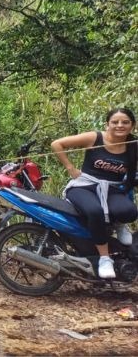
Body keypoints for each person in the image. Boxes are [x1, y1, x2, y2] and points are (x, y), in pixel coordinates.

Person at [51, 108, 137, 279]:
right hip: (84, 186)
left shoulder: (134, 145)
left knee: (130, 211)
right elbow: (57, 144)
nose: (120, 125)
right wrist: (71, 168)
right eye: (115, 122)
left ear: (132, 125)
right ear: (107, 124)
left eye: (125, 122)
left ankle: (120, 224)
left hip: (112, 189)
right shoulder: (94, 137)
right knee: (94, 211)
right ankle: (105, 259)